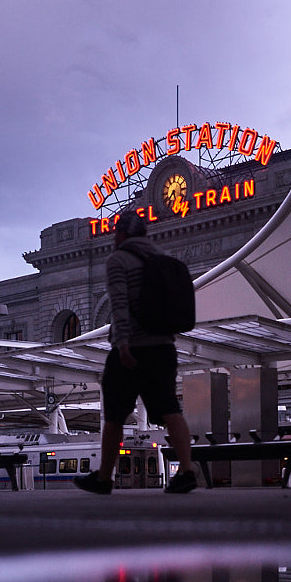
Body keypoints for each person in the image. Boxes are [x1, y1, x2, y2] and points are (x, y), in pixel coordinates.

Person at [74, 211, 198, 494]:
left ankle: (104, 477)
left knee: (115, 414)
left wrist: (123, 345)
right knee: (170, 408)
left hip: (133, 349)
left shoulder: (118, 260)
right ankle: (188, 470)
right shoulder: (161, 259)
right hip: (165, 348)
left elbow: (119, 304)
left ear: (120, 235)